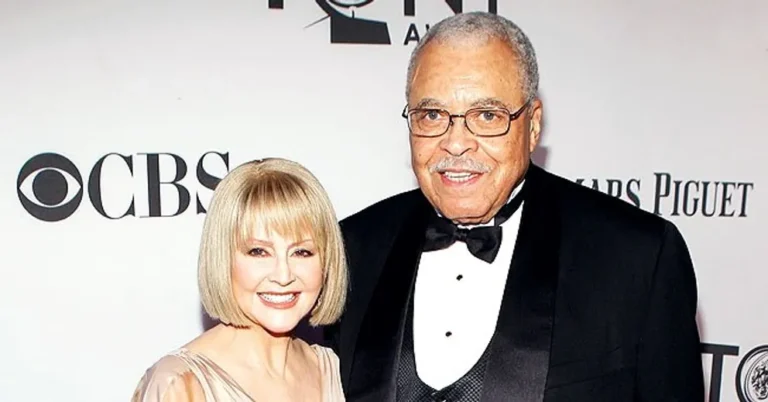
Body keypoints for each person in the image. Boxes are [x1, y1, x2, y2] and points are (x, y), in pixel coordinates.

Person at [323, 11, 704, 402]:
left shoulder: (637, 256)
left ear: (533, 125)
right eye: (432, 115)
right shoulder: (352, 247)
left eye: (487, 116)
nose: (456, 144)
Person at [132, 158, 347, 401]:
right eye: (259, 252)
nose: (283, 276)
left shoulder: (335, 370)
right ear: (223, 258)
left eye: (301, 252)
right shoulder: (180, 384)